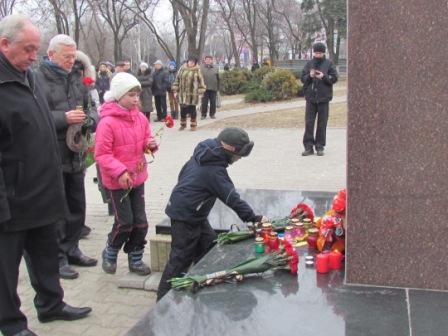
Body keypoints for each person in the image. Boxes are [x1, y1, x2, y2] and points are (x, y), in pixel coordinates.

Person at [0, 14, 91, 336]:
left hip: (42, 190)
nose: (33, 57)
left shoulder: (31, 77)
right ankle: (11, 325)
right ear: (4, 44)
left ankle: (52, 306)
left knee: (45, 256)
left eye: (36, 50)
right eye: (27, 49)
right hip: (11, 198)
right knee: (6, 270)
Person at [157, 127, 268, 300]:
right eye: (239, 155)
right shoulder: (214, 170)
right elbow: (231, 197)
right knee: (179, 260)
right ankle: (162, 303)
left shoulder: (205, 153)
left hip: (194, 214)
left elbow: (182, 175)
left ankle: (203, 292)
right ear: (230, 149)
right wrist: (254, 218)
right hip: (186, 217)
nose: (239, 159)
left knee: (209, 249)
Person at [35, 34, 98, 280]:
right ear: (51, 55)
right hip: (51, 155)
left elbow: (91, 108)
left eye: (74, 56)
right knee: (57, 211)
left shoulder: (76, 79)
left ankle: (72, 249)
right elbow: (33, 117)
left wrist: (90, 121)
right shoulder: (37, 79)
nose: (72, 61)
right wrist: (64, 118)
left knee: (77, 207)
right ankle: (57, 258)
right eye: (67, 56)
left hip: (76, 153)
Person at [95, 72, 158, 276]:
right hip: (117, 182)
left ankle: (136, 258)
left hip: (137, 178)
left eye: (137, 95)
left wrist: (150, 145)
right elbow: (102, 154)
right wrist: (120, 171)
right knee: (125, 223)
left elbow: (146, 141)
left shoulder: (140, 117)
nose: (136, 99)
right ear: (119, 96)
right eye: (131, 95)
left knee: (141, 223)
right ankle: (110, 250)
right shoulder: (107, 122)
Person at [300, 42, 338, 156]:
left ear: (323, 53)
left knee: (322, 123)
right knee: (309, 123)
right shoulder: (309, 64)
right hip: (311, 98)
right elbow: (302, 78)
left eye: (320, 53)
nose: (317, 55)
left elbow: (334, 78)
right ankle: (308, 147)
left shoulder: (329, 64)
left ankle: (320, 146)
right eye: (316, 52)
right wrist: (310, 76)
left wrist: (324, 77)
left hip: (324, 98)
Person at [171, 56, 206, 131]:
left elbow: (201, 82)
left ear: (195, 63)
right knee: (183, 110)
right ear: (187, 62)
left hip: (193, 94)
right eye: (190, 61)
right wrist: (175, 91)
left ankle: (193, 125)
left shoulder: (197, 70)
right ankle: (183, 125)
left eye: (193, 62)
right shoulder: (182, 69)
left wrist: (200, 92)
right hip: (182, 94)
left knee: (192, 110)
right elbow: (177, 80)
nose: (191, 63)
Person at [200, 55, 219, 120]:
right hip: (204, 89)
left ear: (212, 60)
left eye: (209, 59)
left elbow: (218, 78)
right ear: (204, 60)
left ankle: (212, 114)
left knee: (213, 103)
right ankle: (203, 115)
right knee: (204, 103)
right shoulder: (201, 68)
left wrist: (218, 88)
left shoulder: (216, 68)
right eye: (207, 59)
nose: (208, 61)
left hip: (213, 88)